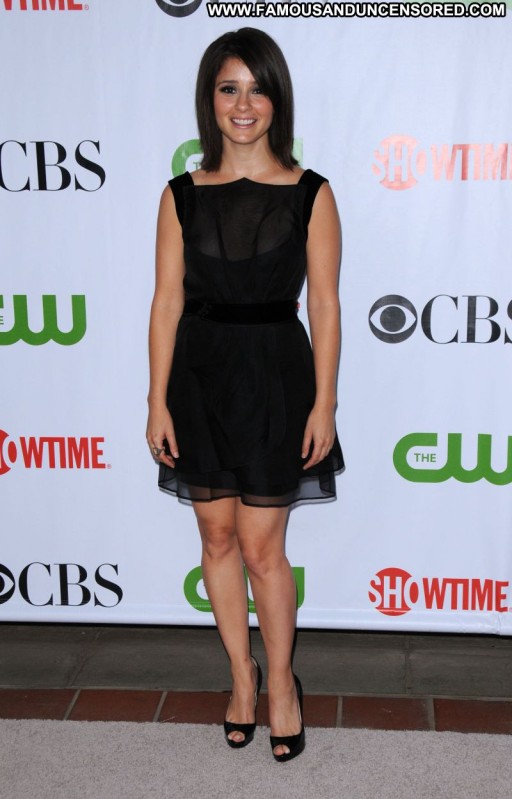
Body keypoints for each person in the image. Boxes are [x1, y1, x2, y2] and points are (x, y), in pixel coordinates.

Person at [147, 27, 343, 762]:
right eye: (229, 88)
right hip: (197, 377)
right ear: (210, 99)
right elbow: (166, 303)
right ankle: (241, 676)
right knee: (217, 538)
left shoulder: (311, 193)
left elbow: (324, 305)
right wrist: (155, 400)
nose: (243, 103)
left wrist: (324, 403)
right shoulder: (180, 195)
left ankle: (282, 683)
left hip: (275, 378)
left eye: (257, 89)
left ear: (277, 100)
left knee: (263, 547)